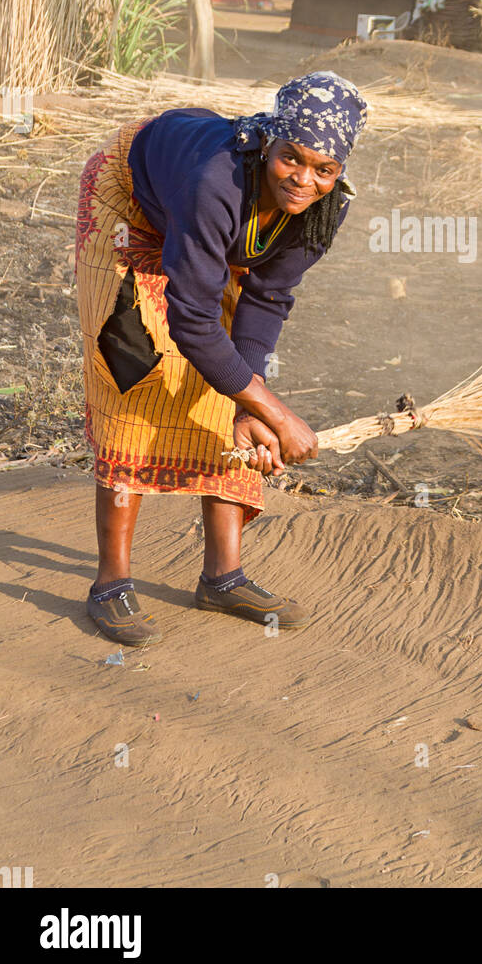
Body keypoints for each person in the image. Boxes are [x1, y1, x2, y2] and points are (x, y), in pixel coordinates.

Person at [74, 70, 367, 647]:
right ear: (268, 145)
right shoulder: (217, 181)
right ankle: (110, 584)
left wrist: (251, 404)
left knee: (227, 392)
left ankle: (222, 577)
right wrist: (279, 414)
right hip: (130, 201)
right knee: (133, 366)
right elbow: (192, 321)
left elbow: (268, 296)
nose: (305, 180)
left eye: (325, 170)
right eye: (292, 159)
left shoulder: (321, 209)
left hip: (212, 231)